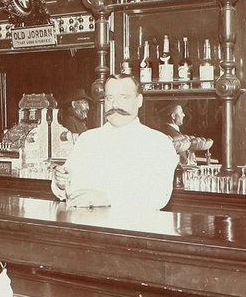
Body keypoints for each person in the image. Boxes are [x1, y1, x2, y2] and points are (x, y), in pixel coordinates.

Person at [51, 74, 178, 210]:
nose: (115, 104)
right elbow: (67, 187)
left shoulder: (157, 143)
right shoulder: (87, 140)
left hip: (132, 228)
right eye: (110, 98)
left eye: (124, 97)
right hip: (83, 227)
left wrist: (108, 199)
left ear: (139, 100)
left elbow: (158, 196)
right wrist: (60, 183)